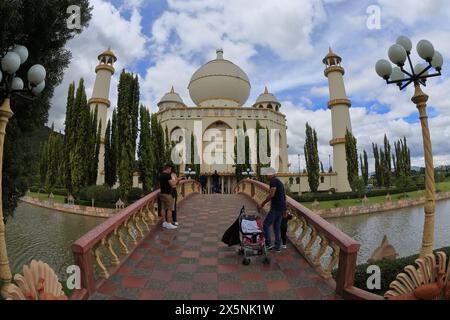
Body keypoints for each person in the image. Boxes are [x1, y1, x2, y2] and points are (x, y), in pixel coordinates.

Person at [257, 167, 286, 252]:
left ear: (272, 174)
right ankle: (277, 247)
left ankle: (268, 243)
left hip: (276, 208)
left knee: (265, 224)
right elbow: (284, 196)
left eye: (267, 174)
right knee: (276, 227)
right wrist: (284, 209)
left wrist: (262, 204)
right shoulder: (278, 180)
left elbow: (271, 195)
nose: (266, 175)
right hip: (280, 208)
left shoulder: (273, 181)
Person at [159, 164, 181, 230]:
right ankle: (169, 223)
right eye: (170, 169)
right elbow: (173, 184)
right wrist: (178, 180)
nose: (170, 170)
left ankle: (164, 222)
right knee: (169, 209)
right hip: (168, 194)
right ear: (167, 168)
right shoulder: (167, 175)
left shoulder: (161, 175)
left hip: (162, 193)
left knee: (163, 208)